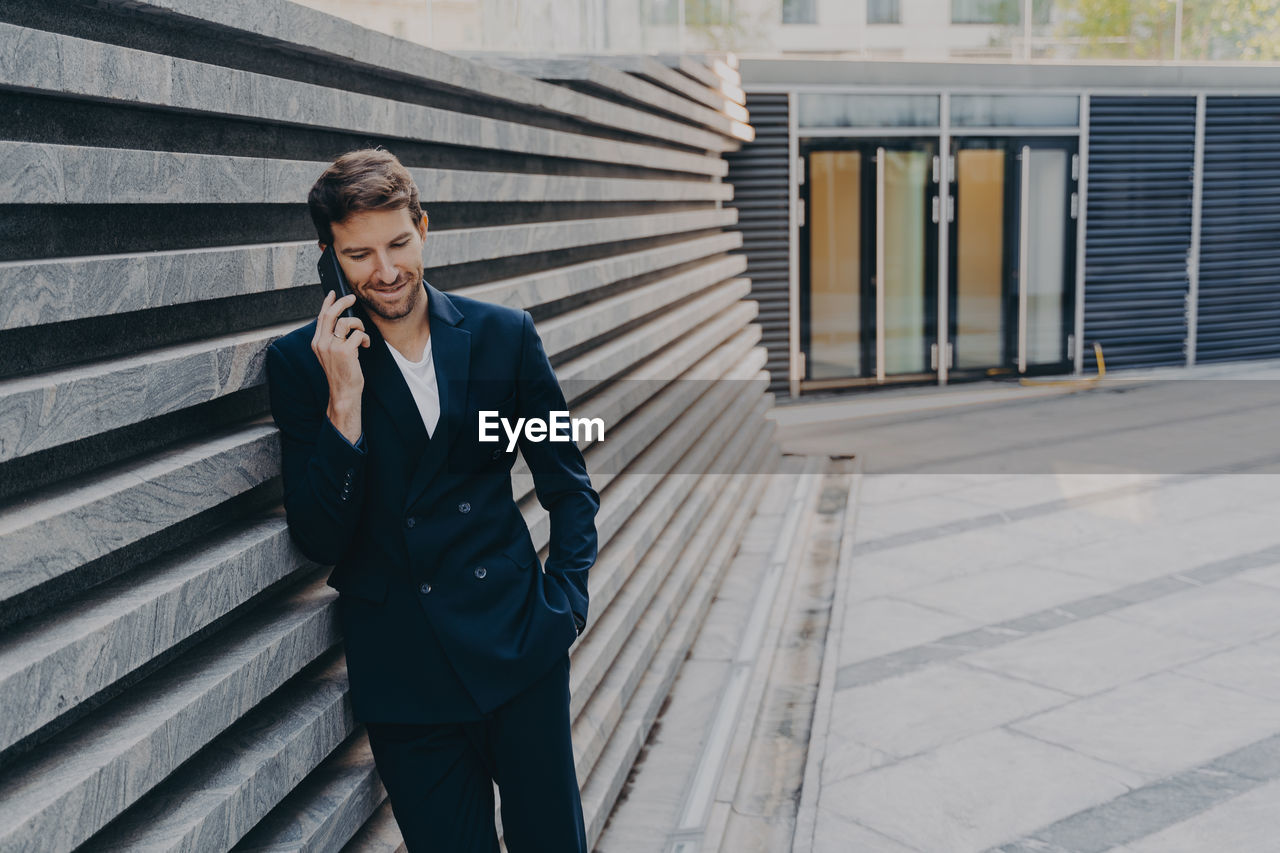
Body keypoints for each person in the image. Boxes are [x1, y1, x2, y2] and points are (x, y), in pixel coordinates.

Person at [264, 148, 599, 852]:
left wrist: (565, 605)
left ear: (424, 227)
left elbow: (567, 483)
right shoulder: (304, 364)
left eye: (398, 242)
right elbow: (321, 535)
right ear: (329, 257)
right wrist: (345, 404)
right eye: (358, 254)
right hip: (405, 673)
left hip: (518, 647)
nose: (385, 271)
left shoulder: (504, 337)